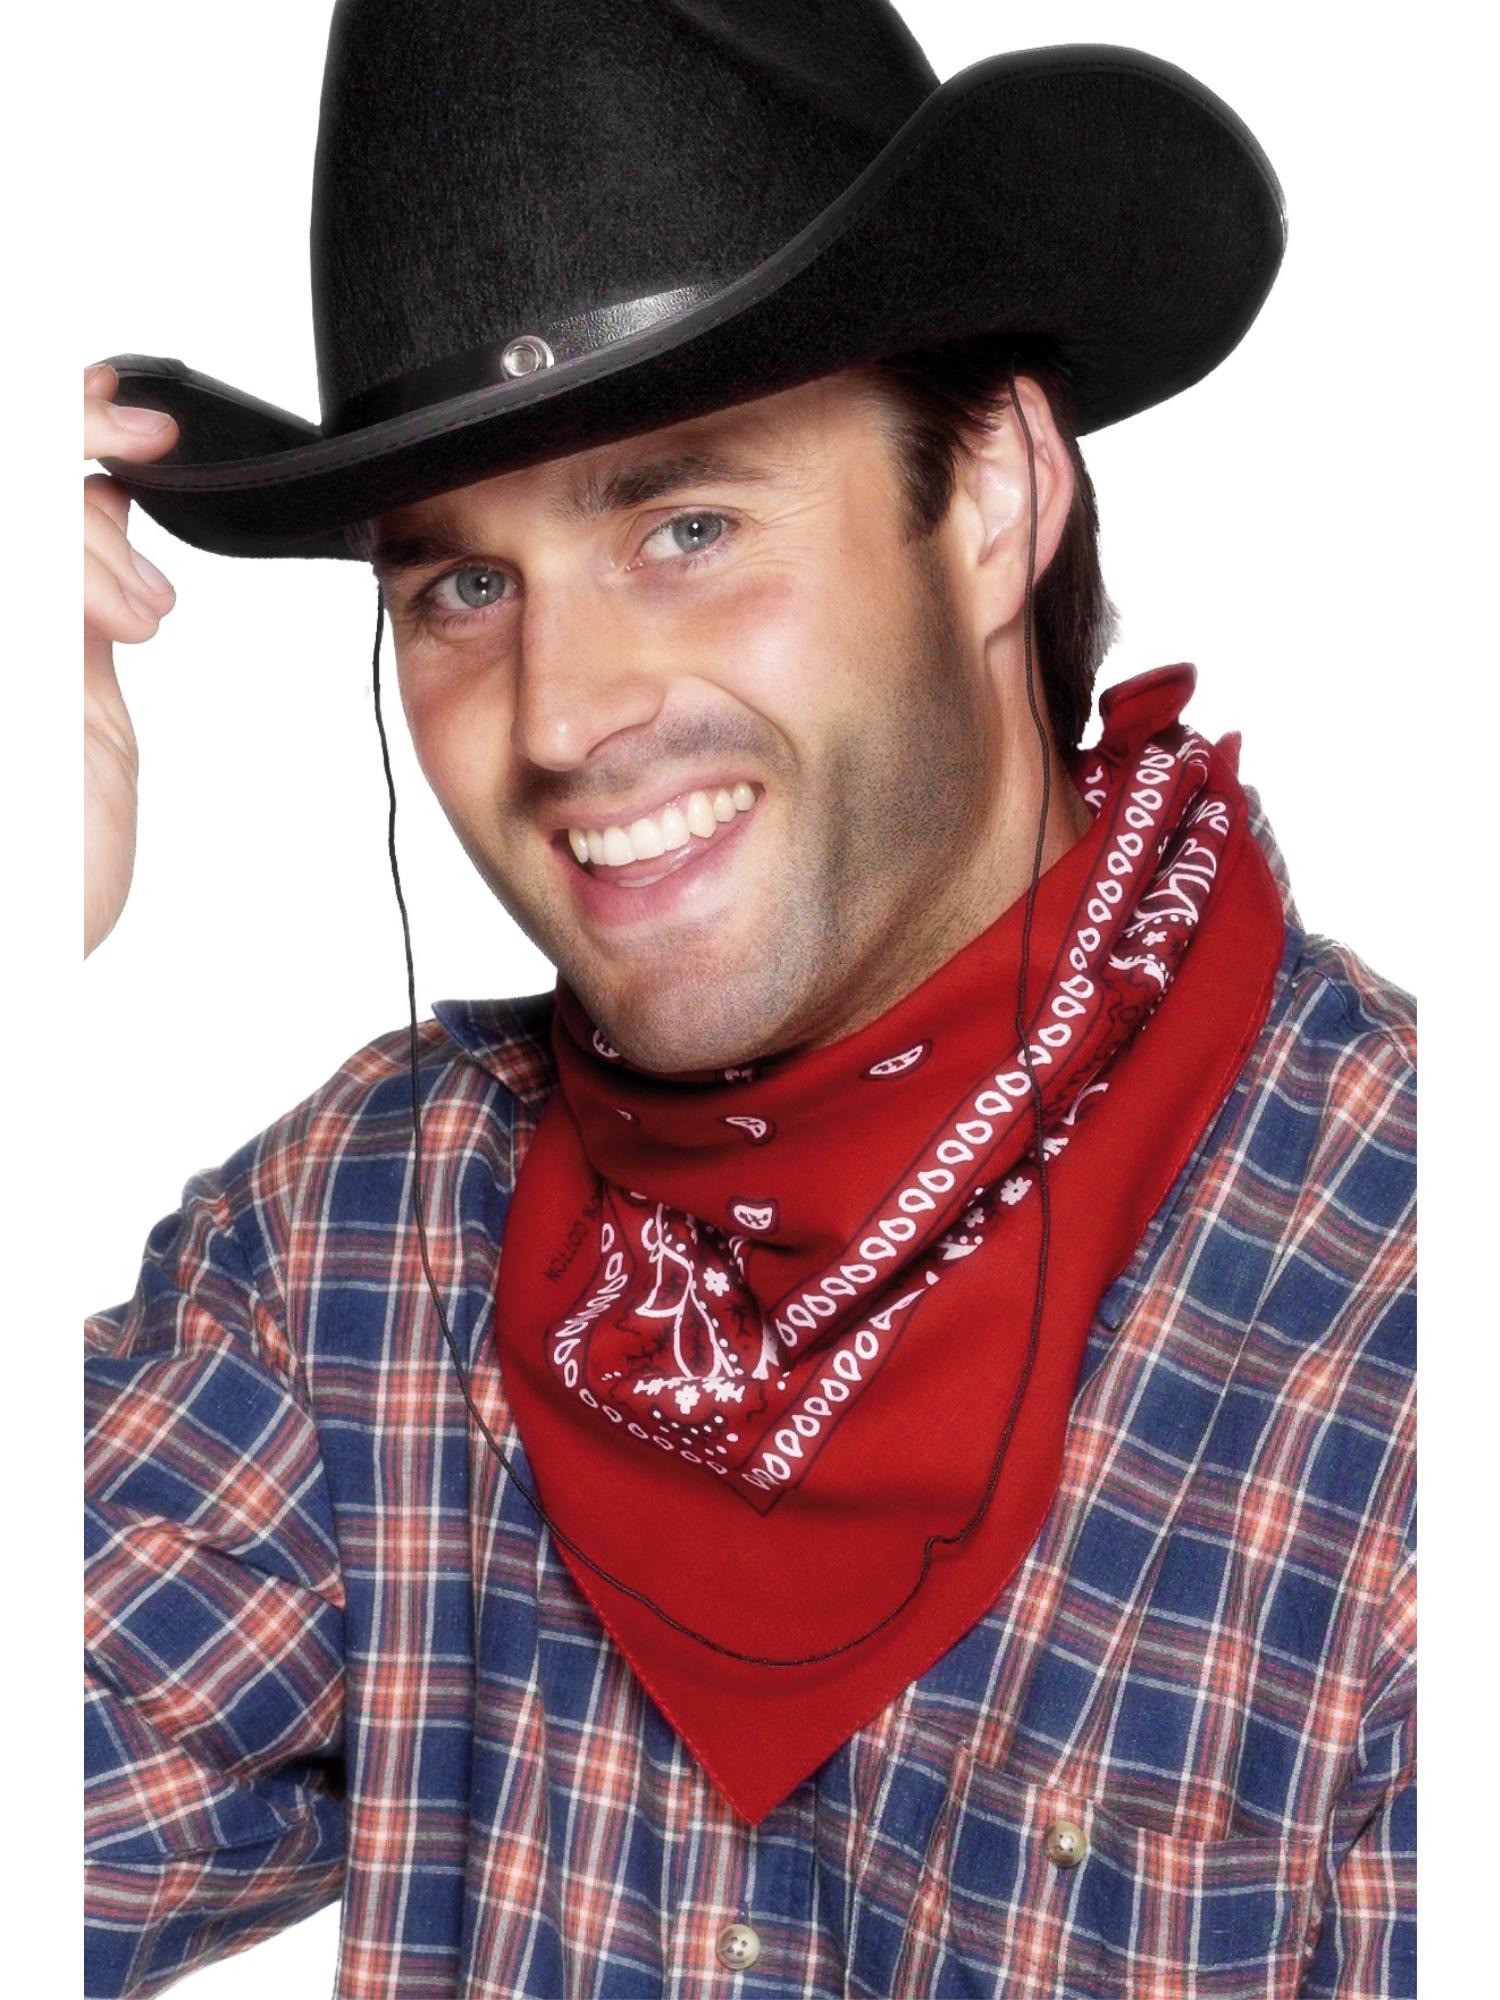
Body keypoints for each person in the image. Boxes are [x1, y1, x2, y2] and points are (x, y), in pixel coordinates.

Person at [83, 4, 1415, 1996]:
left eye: (685, 525)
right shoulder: (367, 1236)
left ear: (993, 498)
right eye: (461, 587)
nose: (559, 719)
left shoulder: (1404, 1338)